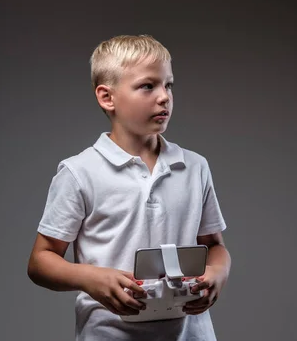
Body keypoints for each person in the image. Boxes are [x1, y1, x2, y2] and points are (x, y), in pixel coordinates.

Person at [27, 34, 231, 340]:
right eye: (148, 86)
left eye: (168, 85)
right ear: (107, 97)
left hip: (191, 333)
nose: (164, 96)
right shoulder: (79, 172)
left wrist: (218, 273)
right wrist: (90, 278)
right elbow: (40, 261)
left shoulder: (195, 167)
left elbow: (215, 246)